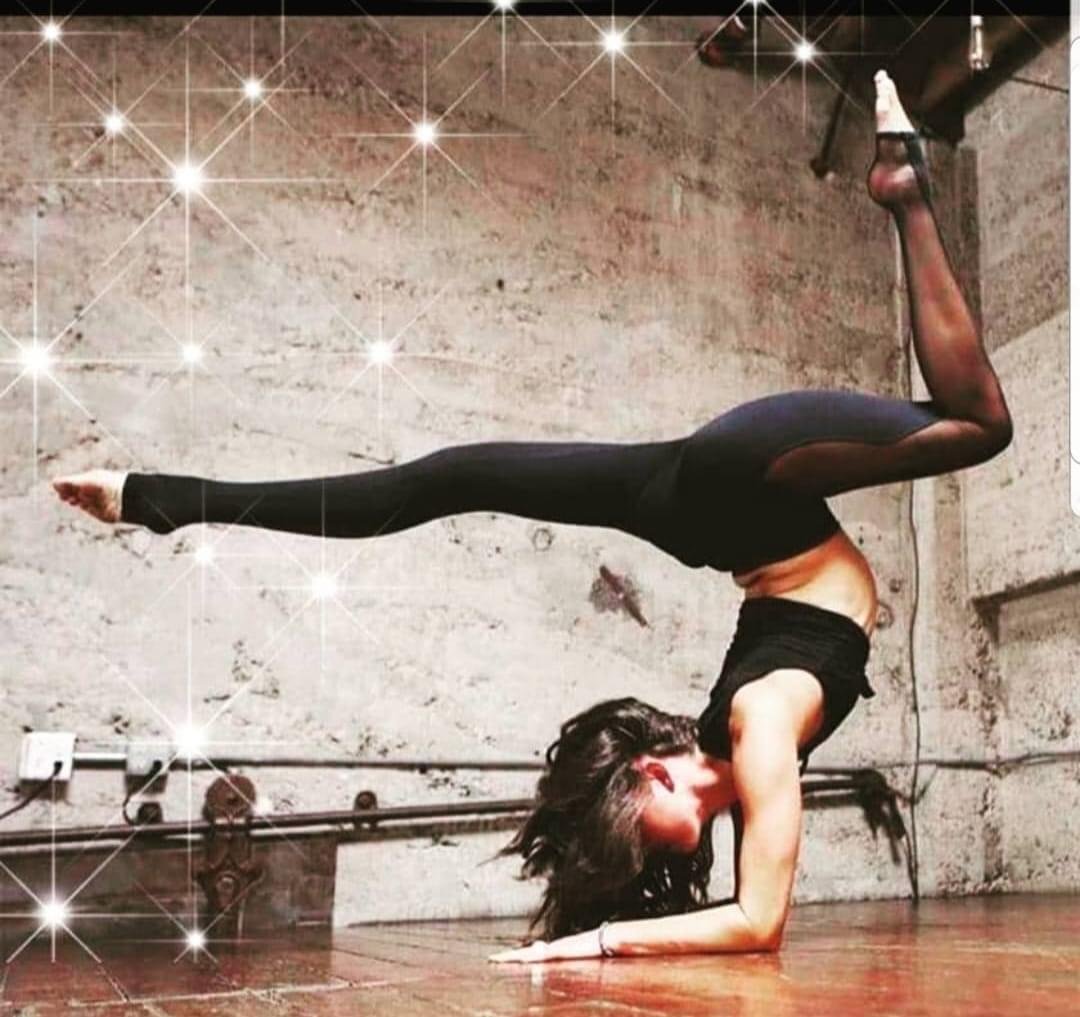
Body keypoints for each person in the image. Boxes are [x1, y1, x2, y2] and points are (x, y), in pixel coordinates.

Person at [52, 71, 1012, 961]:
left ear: (653, 771)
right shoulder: (743, 748)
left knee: (979, 425)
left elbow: (759, 922)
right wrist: (605, 929)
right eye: (631, 847)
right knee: (447, 479)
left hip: (742, 488)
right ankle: (154, 498)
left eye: (625, 828)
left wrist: (591, 945)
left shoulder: (756, 729)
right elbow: (745, 911)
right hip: (715, 513)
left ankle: (904, 193)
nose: (640, 849)